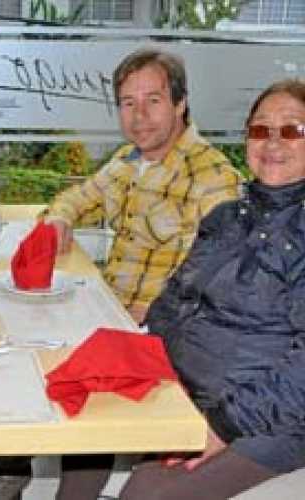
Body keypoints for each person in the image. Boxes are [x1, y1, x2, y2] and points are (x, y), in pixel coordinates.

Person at [0, 48, 243, 500]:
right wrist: (59, 222)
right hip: (110, 310)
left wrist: (143, 313)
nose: (139, 116)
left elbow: (213, 284)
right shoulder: (128, 161)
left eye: (153, 100)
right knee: (7, 329)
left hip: (158, 333)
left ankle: (33, 475)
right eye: (128, 103)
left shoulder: (213, 178)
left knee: (65, 368)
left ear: (180, 104)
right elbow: (75, 198)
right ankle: (12, 459)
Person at [115, 78, 305, 499]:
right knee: (84, 427)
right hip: (186, 388)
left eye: (292, 130)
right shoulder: (227, 217)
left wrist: (222, 425)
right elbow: (174, 302)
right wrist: (138, 357)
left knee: (144, 495)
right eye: (260, 129)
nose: (273, 143)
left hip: (271, 418)